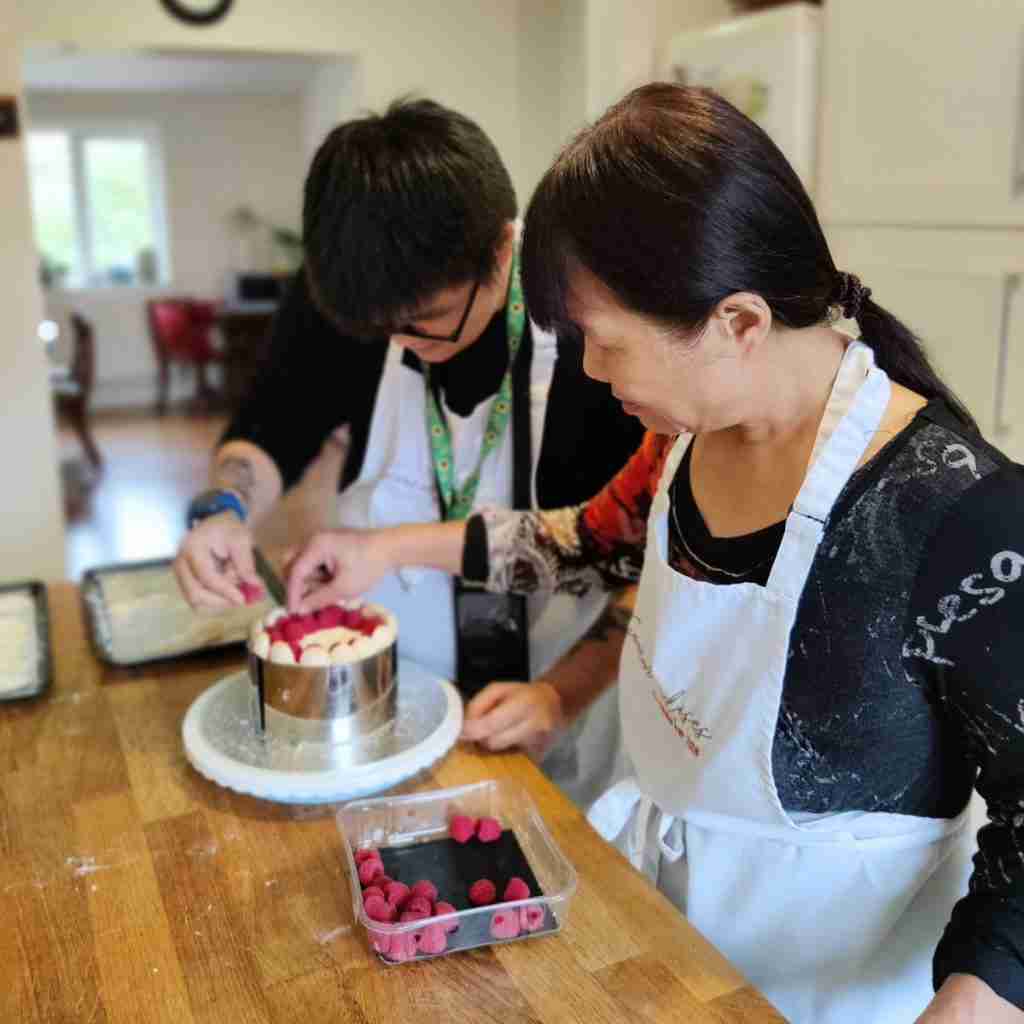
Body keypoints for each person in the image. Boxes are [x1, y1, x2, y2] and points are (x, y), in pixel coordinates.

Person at [282, 85, 1024, 1022]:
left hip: (833, 997)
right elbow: (581, 545)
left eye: (602, 343)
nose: (588, 372)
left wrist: (977, 999)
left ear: (739, 323)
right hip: (663, 955)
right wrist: (380, 550)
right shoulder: (684, 438)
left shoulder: (958, 514)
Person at [174, 98, 643, 810]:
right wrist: (224, 510)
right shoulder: (353, 294)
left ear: (502, 250)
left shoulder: (595, 338)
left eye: (425, 322)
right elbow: (273, 425)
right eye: (380, 327)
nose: (401, 342)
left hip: (558, 688)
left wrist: (561, 693)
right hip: (385, 686)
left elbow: (635, 555)